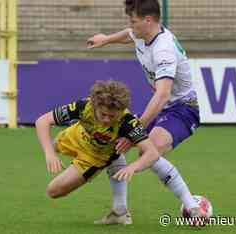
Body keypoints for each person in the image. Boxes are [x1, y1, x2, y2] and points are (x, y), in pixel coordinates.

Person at [87, 0, 205, 225]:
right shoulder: (143, 34)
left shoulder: (164, 49)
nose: (130, 25)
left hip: (183, 109)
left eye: (133, 21)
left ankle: (193, 207)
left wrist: (136, 129)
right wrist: (106, 40)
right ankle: (119, 212)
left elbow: (162, 95)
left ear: (148, 20)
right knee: (115, 144)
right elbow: (128, 34)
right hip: (162, 107)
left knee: (148, 153)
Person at [35, 80, 160, 222]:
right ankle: (117, 165)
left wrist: (133, 167)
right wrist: (49, 153)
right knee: (52, 144)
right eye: (103, 114)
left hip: (94, 157)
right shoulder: (84, 106)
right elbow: (42, 121)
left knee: (53, 192)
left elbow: (152, 153)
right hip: (75, 136)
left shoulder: (128, 122)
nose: (107, 119)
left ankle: (116, 163)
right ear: (95, 105)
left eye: (112, 116)